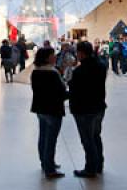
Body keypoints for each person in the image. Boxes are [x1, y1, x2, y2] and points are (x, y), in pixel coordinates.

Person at [68, 41, 106, 178]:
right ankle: (99, 165)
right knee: (96, 137)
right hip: (99, 107)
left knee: (87, 140)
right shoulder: (101, 66)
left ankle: (90, 168)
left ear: (81, 53)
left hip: (84, 110)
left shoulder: (79, 71)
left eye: (77, 52)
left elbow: (74, 90)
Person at [31, 47, 68, 179]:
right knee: (51, 140)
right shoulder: (52, 73)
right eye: (53, 55)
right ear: (47, 57)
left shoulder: (35, 72)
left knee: (43, 137)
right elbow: (61, 93)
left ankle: (45, 162)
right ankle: (50, 169)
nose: (55, 57)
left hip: (40, 109)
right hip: (53, 110)